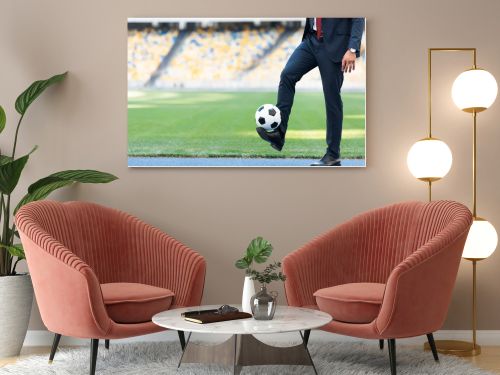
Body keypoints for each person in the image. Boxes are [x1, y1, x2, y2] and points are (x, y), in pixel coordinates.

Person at [256, 18, 365, 166]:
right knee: (287, 75)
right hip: (311, 40)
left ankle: (333, 155)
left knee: (332, 99)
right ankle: (279, 133)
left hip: (335, 45)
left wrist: (352, 49)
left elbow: (358, 16)